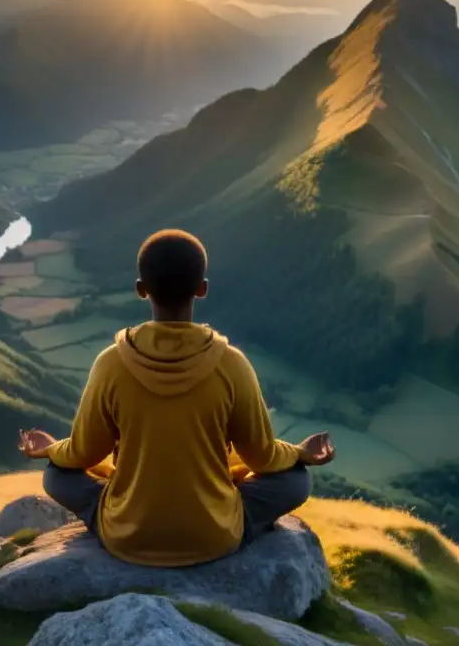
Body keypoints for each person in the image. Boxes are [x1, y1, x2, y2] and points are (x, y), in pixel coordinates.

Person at [17, 228, 335, 567]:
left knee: (55, 474)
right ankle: (222, 518)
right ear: (202, 289)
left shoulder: (110, 363)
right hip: (214, 537)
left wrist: (51, 449)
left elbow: (83, 453)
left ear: (141, 289)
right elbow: (262, 457)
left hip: (127, 536)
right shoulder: (232, 364)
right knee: (297, 480)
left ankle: (127, 506)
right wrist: (300, 453)